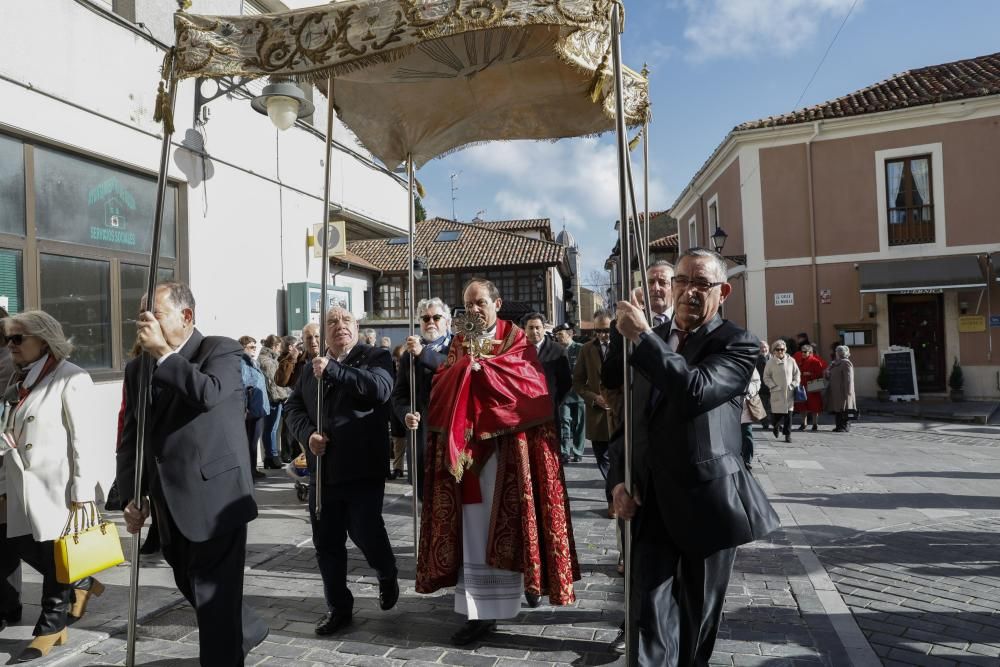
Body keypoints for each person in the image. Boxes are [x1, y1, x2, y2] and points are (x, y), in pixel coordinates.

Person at [610, 248, 779, 665]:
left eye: (701, 284)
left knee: (695, 622)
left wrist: (644, 338)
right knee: (646, 617)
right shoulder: (651, 344)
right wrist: (617, 479)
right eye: (682, 281)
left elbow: (694, 391)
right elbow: (630, 419)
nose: (688, 292)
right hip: (649, 501)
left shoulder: (737, 344)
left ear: (723, 292)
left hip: (707, 504)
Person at [414, 278, 580, 646]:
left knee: (517, 524)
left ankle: (527, 580)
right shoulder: (459, 341)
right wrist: (462, 370)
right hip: (469, 457)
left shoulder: (516, 340)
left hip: (509, 454)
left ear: (497, 303)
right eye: (467, 305)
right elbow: (440, 386)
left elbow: (532, 390)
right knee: (474, 532)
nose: (472, 310)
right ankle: (479, 613)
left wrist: (485, 370)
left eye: (479, 303)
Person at [117, 282, 267, 666]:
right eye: (141, 317)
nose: (145, 324)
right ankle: (246, 629)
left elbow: (208, 394)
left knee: (214, 601)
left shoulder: (218, 349)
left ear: (186, 316)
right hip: (169, 504)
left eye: (155, 315)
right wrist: (132, 494)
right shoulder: (138, 369)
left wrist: (166, 356)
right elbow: (133, 436)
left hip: (216, 498)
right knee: (193, 585)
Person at [0, 311, 114, 662]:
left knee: (54, 549)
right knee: (21, 543)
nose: (11, 346)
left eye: (19, 338)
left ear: (45, 339)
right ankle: (80, 582)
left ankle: (51, 626)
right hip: (21, 482)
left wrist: (82, 489)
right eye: (8, 339)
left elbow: (85, 438)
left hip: (57, 485)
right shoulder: (20, 380)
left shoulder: (70, 378)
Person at [283, 307, 399, 637]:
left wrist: (334, 370)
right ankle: (338, 607)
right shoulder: (310, 369)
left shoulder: (375, 356)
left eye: (345, 320)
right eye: (332, 322)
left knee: (365, 532)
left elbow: (379, 390)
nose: (339, 326)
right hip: (324, 471)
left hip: (362, 468)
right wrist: (308, 435)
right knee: (327, 542)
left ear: (357, 326)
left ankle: (386, 571)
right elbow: (293, 407)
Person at [393, 298, 452, 498]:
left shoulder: (457, 347)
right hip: (422, 438)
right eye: (425, 318)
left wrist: (423, 354)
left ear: (448, 322)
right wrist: (405, 413)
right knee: (426, 503)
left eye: (436, 317)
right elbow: (399, 395)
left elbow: (453, 370)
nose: (431, 322)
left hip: (451, 435)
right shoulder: (408, 355)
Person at [572, 310, 615, 518]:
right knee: (603, 460)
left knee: (617, 460)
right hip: (597, 416)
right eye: (598, 331)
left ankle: (613, 499)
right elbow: (578, 381)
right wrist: (593, 397)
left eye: (606, 330)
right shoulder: (586, 350)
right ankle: (613, 492)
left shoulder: (623, 346)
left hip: (619, 414)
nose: (602, 335)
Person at [522, 313, 572, 416]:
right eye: (530, 328)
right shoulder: (518, 351)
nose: (534, 331)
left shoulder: (558, 351)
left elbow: (566, 384)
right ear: (525, 329)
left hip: (550, 410)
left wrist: (554, 402)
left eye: (537, 327)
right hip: (525, 411)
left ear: (543, 328)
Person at [553, 322, 585, 463]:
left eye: (561, 334)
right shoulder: (556, 350)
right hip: (563, 394)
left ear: (569, 334)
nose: (558, 338)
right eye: (557, 335)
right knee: (564, 422)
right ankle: (564, 451)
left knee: (579, 424)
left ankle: (578, 451)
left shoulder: (580, 349)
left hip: (579, 393)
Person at [239, 336, 270, 479]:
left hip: (258, 408)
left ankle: (252, 469)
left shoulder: (253, 362)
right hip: (251, 410)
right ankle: (249, 470)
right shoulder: (242, 364)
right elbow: (243, 387)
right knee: (249, 442)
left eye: (255, 347)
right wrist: (245, 408)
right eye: (251, 347)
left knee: (253, 441)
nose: (254, 349)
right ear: (243, 347)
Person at [258, 335, 289, 470]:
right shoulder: (267, 361)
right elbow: (276, 381)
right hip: (273, 398)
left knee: (272, 428)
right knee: (271, 429)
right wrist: (284, 395)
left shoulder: (269, 359)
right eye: (279, 347)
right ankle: (271, 457)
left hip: (274, 397)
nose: (280, 350)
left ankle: (272, 457)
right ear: (275, 346)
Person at [763, 340, 800, 443]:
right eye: (777, 349)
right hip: (777, 392)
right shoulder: (770, 362)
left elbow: (797, 374)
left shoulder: (791, 360)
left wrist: (793, 384)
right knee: (776, 416)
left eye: (782, 349)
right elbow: (766, 377)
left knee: (789, 415)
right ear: (774, 351)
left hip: (789, 392)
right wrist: (773, 386)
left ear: (785, 350)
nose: (780, 351)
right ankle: (776, 426)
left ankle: (788, 435)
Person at [794, 344, 826, 431]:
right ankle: (803, 423)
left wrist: (810, 374)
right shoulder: (800, 361)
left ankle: (815, 424)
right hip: (802, 387)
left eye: (805, 352)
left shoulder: (815, 361)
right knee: (802, 406)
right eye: (802, 351)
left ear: (810, 352)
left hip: (812, 387)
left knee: (814, 406)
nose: (803, 353)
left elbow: (820, 374)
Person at [825, 345, 856, 432]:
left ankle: (845, 426)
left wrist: (848, 392)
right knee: (838, 409)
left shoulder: (846, 363)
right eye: (837, 351)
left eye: (838, 351)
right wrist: (828, 371)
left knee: (845, 409)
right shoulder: (834, 363)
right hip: (835, 391)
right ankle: (839, 426)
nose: (837, 353)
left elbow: (849, 379)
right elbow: (828, 376)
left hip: (843, 391)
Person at [388, 344, 408, 480]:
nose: (397, 363)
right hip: (395, 412)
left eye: (400, 360)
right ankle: (398, 468)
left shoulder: (411, 372)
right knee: (398, 441)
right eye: (396, 360)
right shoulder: (392, 373)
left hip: (409, 410)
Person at [741, 368, 762, 470]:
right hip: (729, 404)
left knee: (747, 433)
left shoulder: (750, 363)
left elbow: (756, 381)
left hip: (745, 403)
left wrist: (750, 390)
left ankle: (747, 459)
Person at [755, 340, 771, 431]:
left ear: (768, 348)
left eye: (765, 347)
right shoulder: (755, 359)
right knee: (761, 406)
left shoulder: (773, 358)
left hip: (772, 386)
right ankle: (765, 423)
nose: (763, 349)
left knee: (773, 406)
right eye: (761, 347)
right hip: (761, 386)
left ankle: (774, 422)